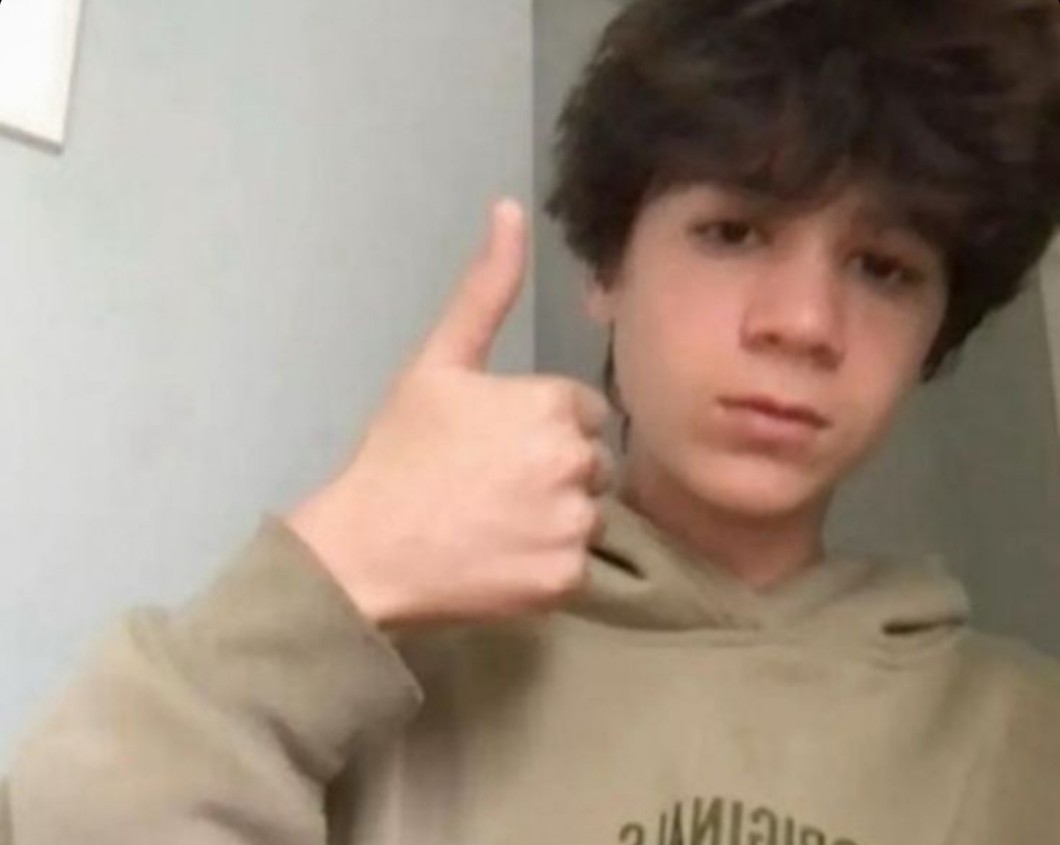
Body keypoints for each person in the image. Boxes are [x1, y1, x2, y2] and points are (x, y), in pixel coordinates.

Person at [3, 0, 1060, 842]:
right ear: (606, 266)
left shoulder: (1022, 741)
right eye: (734, 232)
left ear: (937, 330)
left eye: (883, 267)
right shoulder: (388, 675)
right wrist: (336, 568)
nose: (803, 323)